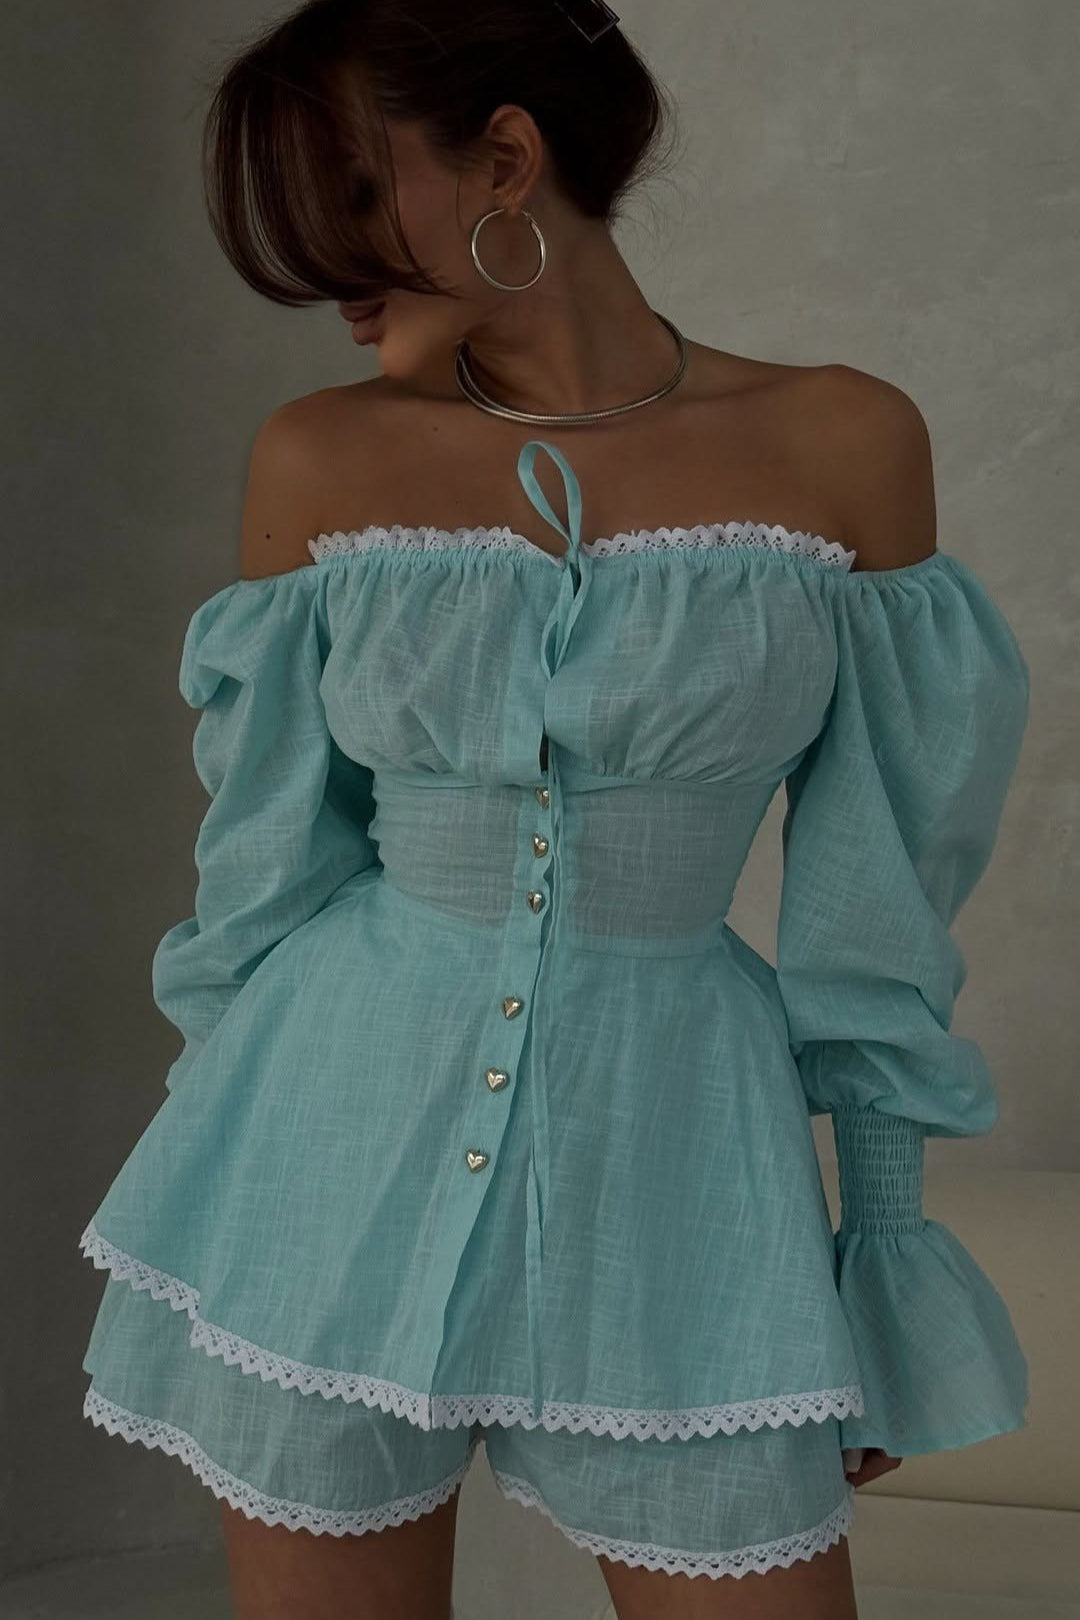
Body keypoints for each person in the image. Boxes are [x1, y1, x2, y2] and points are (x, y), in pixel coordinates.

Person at [77, 2, 1031, 1617]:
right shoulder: (321, 460)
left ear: (509, 160)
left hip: (678, 1163)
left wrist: (876, 1251)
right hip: (324, 1149)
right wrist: (216, 1170)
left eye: (350, 196)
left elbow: (879, 897)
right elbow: (261, 879)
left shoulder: (841, 443)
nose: (317, 269)